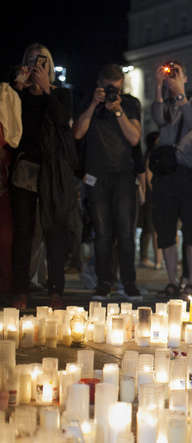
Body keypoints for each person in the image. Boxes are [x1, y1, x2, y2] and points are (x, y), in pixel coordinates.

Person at [10, 43, 78, 309]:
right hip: (25, 168)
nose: (37, 66)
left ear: (50, 66)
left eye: (43, 62)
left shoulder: (60, 94)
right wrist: (18, 88)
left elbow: (63, 121)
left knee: (55, 231)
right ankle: (20, 290)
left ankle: (56, 291)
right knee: (23, 233)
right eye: (31, 61)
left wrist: (47, 89)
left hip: (53, 171)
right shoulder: (18, 95)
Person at [73, 64, 142, 300]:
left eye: (116, 88)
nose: (112, 92)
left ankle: (129, 283)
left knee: (125, 232)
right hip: (96, 176)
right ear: (99, 84)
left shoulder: (130, 103)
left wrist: (118, 111)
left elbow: (134, 138)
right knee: (101, 233)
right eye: (107, 87)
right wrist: (94, 104)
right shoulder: (88, 101)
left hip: (124, 175)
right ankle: (104, 282)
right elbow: (77, 133)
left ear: (122, 84)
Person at [151, 60, 192, 299]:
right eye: (168, 74)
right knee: (166, 228)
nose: (172, 77)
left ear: (186, 78)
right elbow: (157, 118)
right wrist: (158, 86)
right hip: (165, 174)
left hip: (189, 172)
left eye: (177, 74)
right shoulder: (164, 104)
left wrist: (180, 95)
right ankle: (172, 281)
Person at [0, 83, 22, 294]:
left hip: (4, 189)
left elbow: (12, 138)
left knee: (6, 240)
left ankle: (6, 288)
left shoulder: (6, 96)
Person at [139, 131, 162, 270]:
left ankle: (146, 257)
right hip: (152, 196)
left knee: (148, 229)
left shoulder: (148, 155)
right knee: (154, 230)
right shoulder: (151, 156)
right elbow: (148, 176)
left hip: (149, 196)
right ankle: (157, 260)